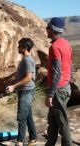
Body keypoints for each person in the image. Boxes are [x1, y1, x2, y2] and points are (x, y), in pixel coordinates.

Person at [45, 17, 72, 146]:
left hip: (58, 90)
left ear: (52, 30)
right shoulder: (66, 43)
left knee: (62, 123)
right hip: (65, 86)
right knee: (52, 123)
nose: (46, 30)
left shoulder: (55, 47)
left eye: (48, 27)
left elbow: (56, 73)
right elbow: (70, 66)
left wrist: (50, 94)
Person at [6, 38, 37, 146]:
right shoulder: (25, 59)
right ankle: (33, 138)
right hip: (25, 90)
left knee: (21, 117)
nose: (18, 48)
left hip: (27, 91)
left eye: (19, 46)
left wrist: (14, 86)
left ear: (24, 47)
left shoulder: (28, 60)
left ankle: (20, 142)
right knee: (27, 115)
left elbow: (29, 77)